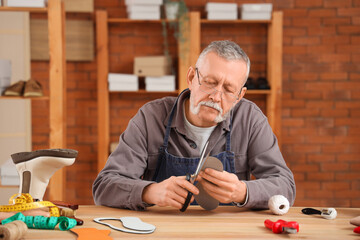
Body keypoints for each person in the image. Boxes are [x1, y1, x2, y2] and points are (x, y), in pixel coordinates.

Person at [93, 40, 296, 211]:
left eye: (228, 89)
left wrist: (242, 192)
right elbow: (104, 186)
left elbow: (286, 186)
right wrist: (149, 192)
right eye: (209, 82)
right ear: (191, 78)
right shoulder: (150, 117)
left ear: (239, 96)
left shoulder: (250, 119)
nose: (216, 96)